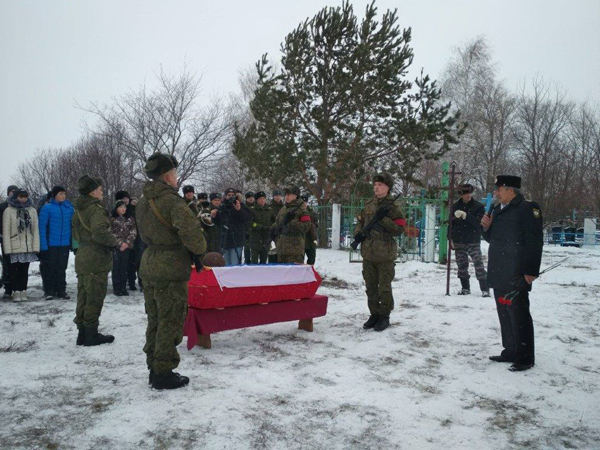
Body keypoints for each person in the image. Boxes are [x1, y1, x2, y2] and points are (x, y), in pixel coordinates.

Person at [137, 152, 206, 390]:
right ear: (168, 176)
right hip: (170, 267)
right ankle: (163, 372)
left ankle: (154, 364)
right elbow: (194, 238)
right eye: (175, 173)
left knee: (155, 318)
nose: (176, 177)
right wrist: (200, 248)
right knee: (171, 319)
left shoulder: (144, 201)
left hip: (149, 263)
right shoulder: (173, 202)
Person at [481, 175, 543, 372]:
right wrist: (486, 228)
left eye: (499, 189)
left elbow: (534, 241)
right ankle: (510, 350)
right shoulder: (499, 210)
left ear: (511, 190)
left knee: (519, 314)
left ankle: (525, 357)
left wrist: (530, 271)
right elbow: (494, 239)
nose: (496, 193)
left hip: (516, 271)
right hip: (499, 269)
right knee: (504, 313)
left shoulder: (527, 208)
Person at [354, 173, 406, 332]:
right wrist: (358, 234)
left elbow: (399, 229)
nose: (376, 187)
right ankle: (374, 314)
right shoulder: (368, 205)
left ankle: (384, 316)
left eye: (380, 185)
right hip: (368, 253)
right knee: (370, 286)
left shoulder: (394, 207)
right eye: (375, 184)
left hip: (385, 254)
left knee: (384, 287)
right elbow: (361, 223)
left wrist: (383, 219)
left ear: (388, 188)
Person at [73, 175, 119, 346]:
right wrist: (115, 242)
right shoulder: (95, 209)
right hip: (95, 257)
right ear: (92, 192)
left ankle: (82, 333)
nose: (102, 192)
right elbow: (100, 232)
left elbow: (75, 233)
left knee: (84, 295)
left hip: (83, 254)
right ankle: (91, 335)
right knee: (95, 295)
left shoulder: (78, 209)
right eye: (100, 189)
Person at [450, 183, 489, 297]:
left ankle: (485, 288)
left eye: (469, 193)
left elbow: (479, 223)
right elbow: (451, 223)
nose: (468, 196)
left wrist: (466, 216)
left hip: (473, 239)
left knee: (478, 263)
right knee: (461, 264)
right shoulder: (455, 206)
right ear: (461, 195)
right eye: (466, 194)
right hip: (458, 239)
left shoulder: (478, 206)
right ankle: (465, 288)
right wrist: (450, 238)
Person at [2, 189, 40, 301]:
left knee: (24, 269)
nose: (23, 199)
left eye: (25, 196)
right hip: (15, 244)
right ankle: (16, 291)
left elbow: (35, 230)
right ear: (16, 197)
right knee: (14, 270)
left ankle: (23, 290)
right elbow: (6, 231)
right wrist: (7, 248)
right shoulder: (9, 211)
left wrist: (35, 246)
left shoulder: (32, 210)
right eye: (21, 196)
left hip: (27, 245)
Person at [39, 185, 74, 300]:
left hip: (64, 244)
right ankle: (49, 291)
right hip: (51, 244)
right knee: (50, 268)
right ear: (54, 196)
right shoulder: (47, 208)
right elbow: (42, 228)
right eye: (60, 194)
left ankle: (61, 290)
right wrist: (43, 245)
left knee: (61, 268)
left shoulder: (69, 208)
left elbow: (73, 225)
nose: (63, 196)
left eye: (64, 193)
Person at [272, 185, 312, 264]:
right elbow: (278, 222)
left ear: (295, 195)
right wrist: (273, 228)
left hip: (295, 251)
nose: (287, 196)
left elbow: (306, 227)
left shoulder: (302, 210)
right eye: (286, 194)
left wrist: (292, 222)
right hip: (282, 249)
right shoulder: (284, 208)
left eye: (289, 194)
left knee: (294, 275)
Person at [216, 188, 250, 266]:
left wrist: (239, 210)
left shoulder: (241, 205)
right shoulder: (223, 206)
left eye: (232, 195)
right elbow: (218, 222)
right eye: (229, 195)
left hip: (237, 239)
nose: (231, 197)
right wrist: (214, 216)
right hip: (225, 240)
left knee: (234, 264)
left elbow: (247, 218)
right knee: (226, 264)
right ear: (225, 196)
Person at [110, 200, 137, 296]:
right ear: (116, 208)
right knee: (116, 268)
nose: (123, 209)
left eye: (124, 207)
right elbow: (110, 233)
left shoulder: (130, 219)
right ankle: (117, 288)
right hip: (116, 247)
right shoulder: (112, 219)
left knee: (124, 267)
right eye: (121, 207)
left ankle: (123, 287)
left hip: (127, 247)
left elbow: (133, 231)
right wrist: (120, 243)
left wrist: (127, 243)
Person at [115, 190, 140, 292]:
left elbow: (135, 227)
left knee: (132, 263)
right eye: (123, 199)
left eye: (127, 198)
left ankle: (132, 281)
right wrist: (122, 242)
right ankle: (120, 284)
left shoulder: (132, 210)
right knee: (121, 265)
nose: (126, 200)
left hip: (133, 241)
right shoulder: (115, 213)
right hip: (120, 243)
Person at [0, 185, 18, 299]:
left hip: (18, 239)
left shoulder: (20, 205)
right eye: (11, 192)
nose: (13, 194)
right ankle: (8, 288)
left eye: (15, 192)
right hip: (5, 238)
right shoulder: (2, 206)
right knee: (7, 264)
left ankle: (18, 287)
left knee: (17, 264)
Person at [249, 191, 276, 264]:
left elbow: (275, 221)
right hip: (255, 239)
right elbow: (250, 223)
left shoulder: (269, 210)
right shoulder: (252, 210)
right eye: (260, 198)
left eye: (264, 198)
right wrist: (260, 227)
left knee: (263, 262)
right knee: (254, 262)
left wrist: (271, 228)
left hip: (266, 239)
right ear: (256, 200)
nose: (262, 200)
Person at [301, 194, 318, 265]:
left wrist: (312, 226)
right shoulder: (298, 212)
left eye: (305, 202)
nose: (304, 204)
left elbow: (316, 222)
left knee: (312, 258)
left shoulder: (311, 212)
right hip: (301, 238)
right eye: (303, 202)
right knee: (300, 260)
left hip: (310, 239)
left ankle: (309, 272)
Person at [268, 189, 284, 263]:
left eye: (279, 196)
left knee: (281, 253)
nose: (278, 197)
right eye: (276, 196)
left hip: (282, 232)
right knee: (272, 252)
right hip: (272, 232)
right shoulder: (269, 207)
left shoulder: (284, 207)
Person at [243, 191, 255, 263]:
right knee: (247, 248)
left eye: (252, 197)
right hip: (246, 230)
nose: (251, 199)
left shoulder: (256, 206)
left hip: (255, 231)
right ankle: (247, 261)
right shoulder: (244, 207)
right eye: (249, 198)